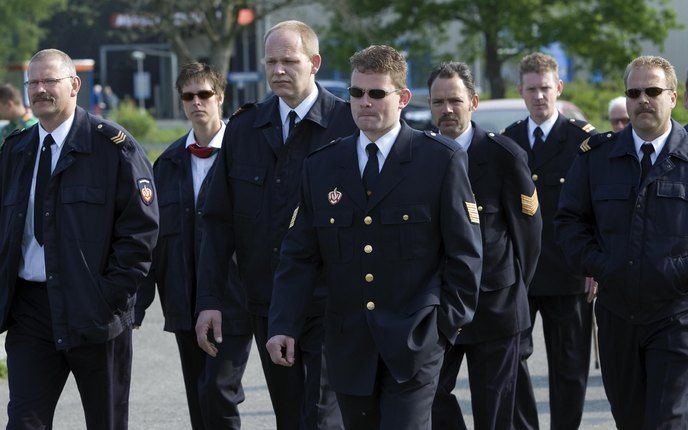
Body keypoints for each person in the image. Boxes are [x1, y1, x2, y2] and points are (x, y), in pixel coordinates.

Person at [266, 44, 483, 430]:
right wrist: (283, 323)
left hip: (415, 343)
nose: (365, 103)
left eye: (377, 93)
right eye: (356, 93)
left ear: (402, 98)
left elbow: (465, 254)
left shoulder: (439, 160)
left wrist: (444, 328)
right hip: (349, 346)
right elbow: (299, 254)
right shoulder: (322, 166)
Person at [194, 20, 356, 430]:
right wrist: (210, 299)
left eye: (289, 60)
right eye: (271, 61)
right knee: (289, 416)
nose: (278, 70)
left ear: (314, 63)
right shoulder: (245, 128)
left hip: (332, 303)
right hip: (266, 303)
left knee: (321, 418)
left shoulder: (347, 124)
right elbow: (217, 221)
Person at [0, 49, 158, 429]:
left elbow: (142, 231)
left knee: (105, 422)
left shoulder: (113, 149)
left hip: (96, 313)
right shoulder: (15, 151)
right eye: (33, 83)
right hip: (31, 312)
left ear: (74, 85)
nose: (39, 90)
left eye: (49, 81)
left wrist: (109, 295)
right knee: (24, 423)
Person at [555, 55, 688, 429]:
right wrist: (602, 265)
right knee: (630, 420)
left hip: (676, 315)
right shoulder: (597, 157)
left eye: (653, 91)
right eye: (634, 92)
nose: (643, 99)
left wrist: (676, 274)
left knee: (667, 420)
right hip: (617, 316)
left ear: (673, 97)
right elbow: (569, 223)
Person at [134, 62, 252, 429]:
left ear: (219, 97)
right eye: (188, 96)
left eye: (204, 94)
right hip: (183, 297)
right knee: (199, 396)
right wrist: (136, 305)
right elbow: (150, 237)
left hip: (234, 298)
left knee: (219, 390)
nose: (196, 102)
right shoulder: (166, 163)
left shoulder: (247, 154)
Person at [427, 62, 542, 430]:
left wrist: (515, 295)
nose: (447, 109)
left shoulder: (504, 157)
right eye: (439, 102)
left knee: (495, 414)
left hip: (495, 307)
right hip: (439, 309)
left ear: (473, 102)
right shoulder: (419, 156)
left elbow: (528, 238)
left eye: (455, 101)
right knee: (427, 395)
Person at [502, 52, 597, 430]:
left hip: (570, 271)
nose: (539, 96)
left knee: (569, 368)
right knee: (511, 360)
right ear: (520, 92)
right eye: (532, 89)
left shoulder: (582, 141)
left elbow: (597, 207)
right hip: (521, 273)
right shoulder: (508, 142)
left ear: (558, 88)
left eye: (546, 88)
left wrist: (595, 264)